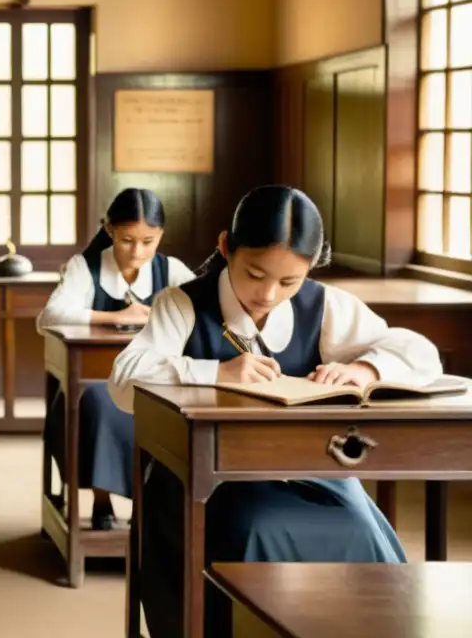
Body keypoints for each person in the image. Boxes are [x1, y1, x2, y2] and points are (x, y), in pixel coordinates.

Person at [108, 185, 443, 638]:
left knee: (358, 525)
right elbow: (124, 380)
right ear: (226, 247)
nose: (268, 293)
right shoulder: (183, 304)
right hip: (210, 481)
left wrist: (365, 368)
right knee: (255, 524)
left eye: (289, 282)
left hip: (311, 472)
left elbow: (420, 354)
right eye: (254, 273)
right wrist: (216, 372)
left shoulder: (325, 307)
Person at [37, 188, 194, 530]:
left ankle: (151, 505)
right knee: (100, 402)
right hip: (93, 381)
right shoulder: (85, 267)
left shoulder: (173, 271)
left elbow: (203, 314)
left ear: (160, 236)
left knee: (168, 410)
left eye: (148, 241)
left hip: (152, 380)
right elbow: (49, 317)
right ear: (109, 230)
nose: (137, 252)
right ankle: (101, 501)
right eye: (126, 240)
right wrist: (119, 316)